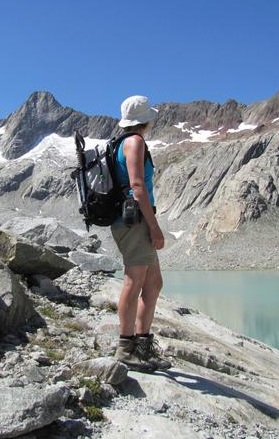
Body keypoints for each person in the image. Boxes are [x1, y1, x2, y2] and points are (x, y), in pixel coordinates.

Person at [111, 95, 171, 372]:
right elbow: (137, 186)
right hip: (135, 222)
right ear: (145, 120)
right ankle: (126, 348)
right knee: (134, 281)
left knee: (153, 283)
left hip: (134, 220)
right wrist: (154, 226)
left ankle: (143, 346)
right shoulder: (135, 142)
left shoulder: (122, 142)